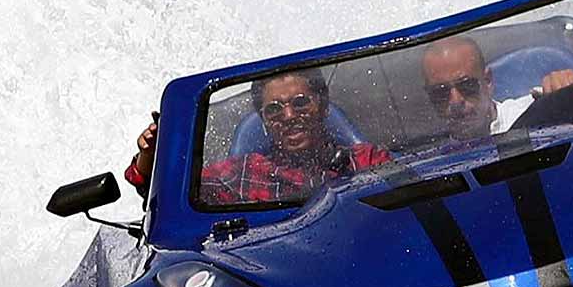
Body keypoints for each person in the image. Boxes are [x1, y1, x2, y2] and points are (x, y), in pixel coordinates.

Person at [125, 68, 390, 204]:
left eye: (300, 103)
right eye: (274, 109)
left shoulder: (365, 160)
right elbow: (163, 191)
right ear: (263, 119)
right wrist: (151, 154)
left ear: (321, 105)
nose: (288, 116)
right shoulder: (242, 174)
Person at [420, 35, 573, 142]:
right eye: (440, 92)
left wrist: (568, 91)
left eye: (467, 85)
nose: (455, 101)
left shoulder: (534, 110)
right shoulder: (427, 159)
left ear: (487, 82)